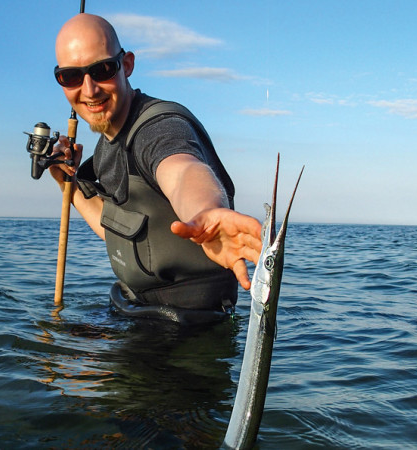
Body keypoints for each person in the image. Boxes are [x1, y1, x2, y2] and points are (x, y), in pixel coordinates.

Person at [48, 13, 262, 316]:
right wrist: (65, 184)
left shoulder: (158, 127)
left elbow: (181, 170)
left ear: (127, 65)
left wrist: (207, 212)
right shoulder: (108, 143)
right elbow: (117, 231)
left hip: (183, 334)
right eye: (70, 76)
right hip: (138, 314)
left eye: (102, 70)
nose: (89, 89)